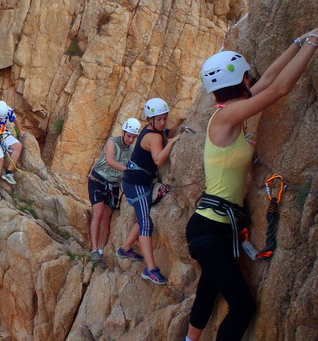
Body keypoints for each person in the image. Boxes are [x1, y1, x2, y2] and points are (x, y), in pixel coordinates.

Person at [184, 29, 318, 341]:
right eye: (248, 77)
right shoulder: (227, 117)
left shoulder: (229, 113)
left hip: (215, 226)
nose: (252, 80)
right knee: (243, 306)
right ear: (242, 81)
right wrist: (313, 44)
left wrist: (298, 41)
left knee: (210, 288)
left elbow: (270, 79)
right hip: (209, 229)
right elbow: (280, 88)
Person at [119, 98, 183, 285]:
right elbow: (158, 160)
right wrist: (172, 143)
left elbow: (166, 133)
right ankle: (151, 270)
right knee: (146, 223)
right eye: (159, 119)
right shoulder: (153, 136)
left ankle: (126, 248)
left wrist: (177, 124)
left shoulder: (155, 130)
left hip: (138, 181)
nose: (163, 123)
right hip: (136, 184)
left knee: (142, 217)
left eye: (165, 118)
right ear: (150, 120)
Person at [88, 118, 141, 268]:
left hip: (114, 185)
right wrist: (129, 170)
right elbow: (110, 161)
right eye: (129, 136)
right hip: (98, 179)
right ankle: (94, 251)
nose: (131, 139)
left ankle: (100, 250)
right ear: (123, 132)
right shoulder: (112, 142)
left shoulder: (131, 150)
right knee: (97, 214)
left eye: (133, 137)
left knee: (106, 218)